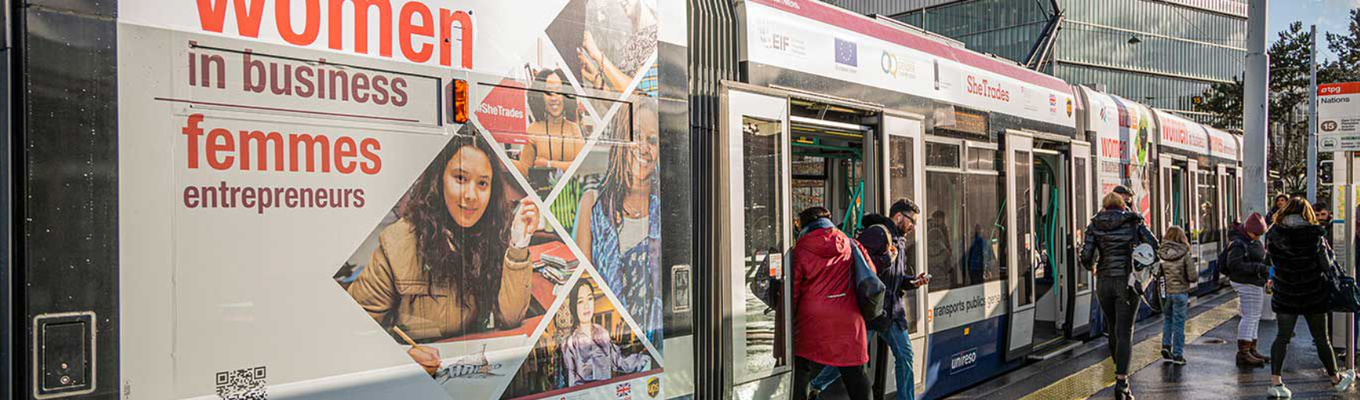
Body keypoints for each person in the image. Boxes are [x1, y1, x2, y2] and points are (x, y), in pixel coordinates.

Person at [347, 127, 542, 376]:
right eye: (460, 178)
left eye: (482, 183)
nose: (471, 195)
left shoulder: (494, 234)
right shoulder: (397, 241)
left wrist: (518, 246)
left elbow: (511, 319)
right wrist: (402, 357)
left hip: (472, 373)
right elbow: (353, 329)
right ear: (439, 180)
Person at [810, 199, 929, 400]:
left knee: (905, 356)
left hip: (892, 311)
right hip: (871, 311)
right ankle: (816, 385)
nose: (913, 227)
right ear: (899, 216)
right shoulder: (877, 234)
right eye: (912, 221)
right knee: (849, 356)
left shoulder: (899, 240)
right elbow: (858, 264)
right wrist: (886, 259)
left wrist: (912, 282)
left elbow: (894, 278)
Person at [574, 97, 662, 346]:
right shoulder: (592, 205)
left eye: (652, 140)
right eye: (636, 136)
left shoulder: (667, 208)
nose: (644, 148)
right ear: (621, 139)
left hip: (657, 343)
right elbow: (583, 284)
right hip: (606, 341)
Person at [1265, 198, 1355, 398]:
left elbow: (1268, 261)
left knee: (1282, 338)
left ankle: (1276, 383)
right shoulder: (1315, 234)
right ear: (1307, 213)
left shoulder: (1274, 233)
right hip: (1313, 294)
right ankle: (1336, 379)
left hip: (1285, 294)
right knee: (1321, 338)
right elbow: (1326, 265)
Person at [1080, 192, 1158, 400]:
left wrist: (1093, 267)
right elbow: (1154, 245)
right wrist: (1141, 263)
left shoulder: (1095, 224)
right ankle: (1122, 382)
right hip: (1127, 281)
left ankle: (1119, 370)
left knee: (1113, 327)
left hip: (1104, 282)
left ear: (1105, 206)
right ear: (1123, 205)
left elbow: (1086, 255)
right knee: (1125, 331)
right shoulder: (1134, 222)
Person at [792, 206, 872, 400]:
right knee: (855, 371)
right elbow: (870, 274)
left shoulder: (800, 248)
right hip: (848, 318)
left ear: (804, 225)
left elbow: (793, 288)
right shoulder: (850, 243)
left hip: (812, 319)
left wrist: (790, 315)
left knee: (803, 367)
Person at [561, 278, 652, 387]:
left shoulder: (602, 332)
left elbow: (618, 361)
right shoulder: (569, 343)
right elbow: (572, 382)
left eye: (590, 299)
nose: (586, 306)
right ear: (573, 306)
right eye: (580, 301)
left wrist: (644, 359)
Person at [516, 69, 585, 176]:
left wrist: (548, 164)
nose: (554, 98)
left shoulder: (574, 129)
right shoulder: (532, 130)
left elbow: (581, 167)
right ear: (540, 97)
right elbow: (525, 170)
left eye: (558, 91)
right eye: (548, 92)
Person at [1224, 212, 1270, 367]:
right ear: (1248, 230)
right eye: (1255, 234)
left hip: (1253, 282)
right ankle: (1244, 353)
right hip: (1246, 282)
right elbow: (1234, 265)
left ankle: (1251, 349)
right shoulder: (1238, 243)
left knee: (1254, 316)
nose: (1258, 237)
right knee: (1250, 316)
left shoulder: (1248, 240)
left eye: (1260, 235)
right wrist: (1259, 268)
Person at [1158, 226, 1196, 365]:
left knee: (1167, 320)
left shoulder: (1161, 253)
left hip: (1166, 294)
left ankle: (1166, 346)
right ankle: (1178, 355)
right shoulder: (1185, 253)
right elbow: (1192, 276)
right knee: (1179, 323)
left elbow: (1158, 274)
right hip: (1180, 293)